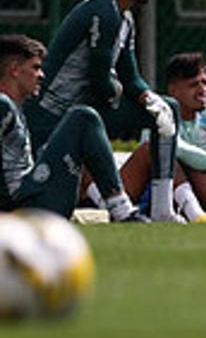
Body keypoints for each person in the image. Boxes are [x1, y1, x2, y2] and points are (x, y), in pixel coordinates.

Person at [25, 0, 181, 221]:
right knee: (53, 201)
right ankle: (120, 209)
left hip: (86, 108)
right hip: (51, 118)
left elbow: (130, 76)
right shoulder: (103, 12)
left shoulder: (126, 19)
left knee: (169, 109)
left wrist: (149, 98)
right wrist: (122, 91)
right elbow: (100, 81)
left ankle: (162, 211)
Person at [0, 34, 143, 220]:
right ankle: (122, 211)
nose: (41, 75)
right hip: (23, 205)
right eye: (35, 68)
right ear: (15, 70)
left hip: (28, 199)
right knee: (83, 117)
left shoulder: (16, 107)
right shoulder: (2, 104)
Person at [119, 51, 206, 220]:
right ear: (173, 90)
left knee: (200, 166)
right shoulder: (158, 117)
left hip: (198, 192)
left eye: (205, 83)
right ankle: (199, 216)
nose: (202, 90)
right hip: (155, 197)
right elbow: (181, 151)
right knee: (176, 158)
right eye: (194, 85)